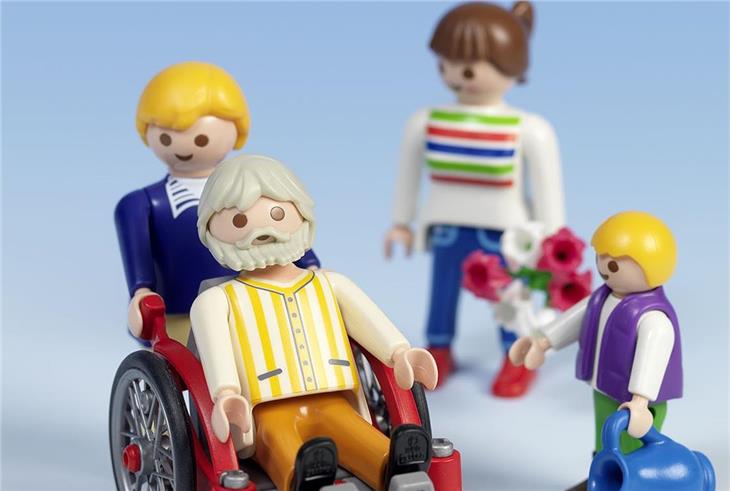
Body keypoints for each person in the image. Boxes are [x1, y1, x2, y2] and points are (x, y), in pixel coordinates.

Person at [191, 155, 438, 491]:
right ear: (211, 231)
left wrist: (399, 353)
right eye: (239, 221)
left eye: (277, 215)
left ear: (302, 215)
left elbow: (371, 322)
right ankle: (302, 477)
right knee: (280, 438)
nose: (260, 230)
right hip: (264, 408)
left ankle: (392, 465)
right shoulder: (217, 300)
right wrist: (227, 394)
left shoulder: (330, 283)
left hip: (334, 397)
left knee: (352, 429)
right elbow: (216, 352)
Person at [384, 2, 565, 396]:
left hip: (504, 235)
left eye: (468, 66)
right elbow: (408, 175)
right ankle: (439, 349)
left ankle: (516, 355)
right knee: (442, 294)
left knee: (509, 300)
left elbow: (547, 191)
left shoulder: (528, 129)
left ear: (511, 64)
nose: (457, 74)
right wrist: (401, 221)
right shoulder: (426, 122)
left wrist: (553, 244)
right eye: (447, 63)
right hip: (447, 228)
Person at [115, 62, 320, 345]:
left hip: (258, 301)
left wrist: (310, 266)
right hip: (183, 313)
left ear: (237, 131)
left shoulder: (255, 189)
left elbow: (285, 229)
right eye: (166, 137)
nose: (184, 147)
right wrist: (141, 294)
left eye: (201, 138)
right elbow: (138, 263)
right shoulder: (141, 205)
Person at [510, 211, 683, 491]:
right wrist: (542, 342)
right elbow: (574, 320)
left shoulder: (654, 318)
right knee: (604, 440)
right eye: (600, 258)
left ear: (650, 267)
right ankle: (601, 479)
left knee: (631, 448)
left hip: (635, 403)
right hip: (604, 389)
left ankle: (630, 483)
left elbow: (652, 358)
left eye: (613, 263)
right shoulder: (602, 298)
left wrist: (641, 401)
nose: (604, 268)